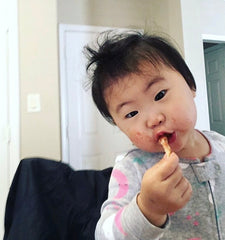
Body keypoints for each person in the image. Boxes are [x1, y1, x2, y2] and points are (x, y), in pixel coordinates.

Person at [84, 30, 225, 240]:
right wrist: (148, 208)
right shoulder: (133, 168)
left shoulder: (221, 144)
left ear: (190, 85)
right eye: (131, 113)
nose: (153, 119)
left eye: (160, 95)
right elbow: (104, 234)